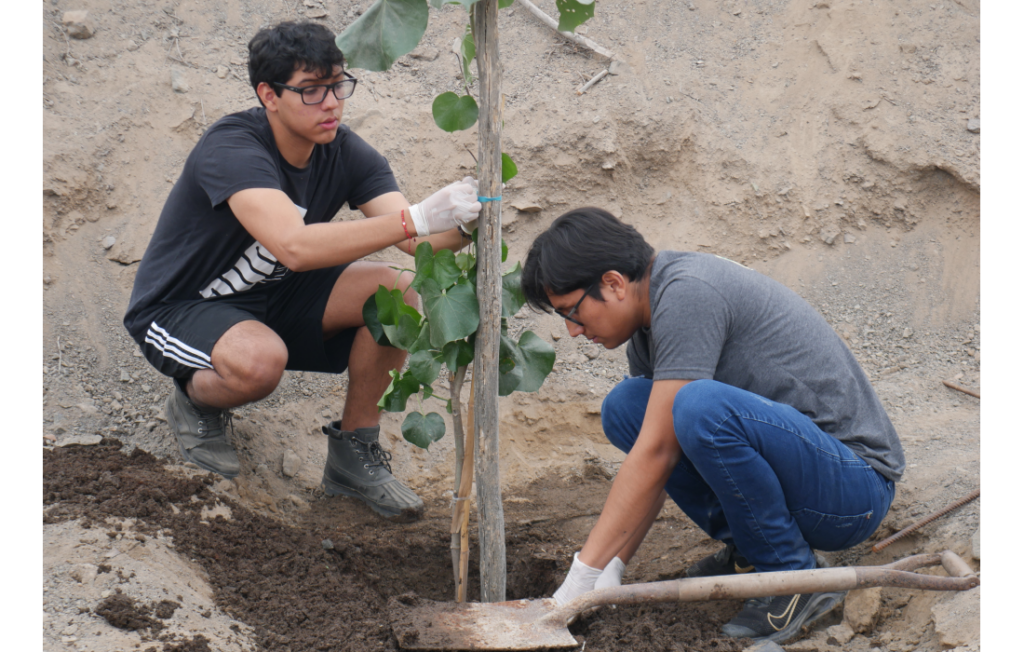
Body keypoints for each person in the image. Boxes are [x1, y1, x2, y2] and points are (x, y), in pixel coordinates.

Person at [123, 21, 480, 522]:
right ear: (268, 94)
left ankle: (354, 454)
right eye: (311, 91)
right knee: (259, 363)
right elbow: (292, 246)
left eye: (337, 84)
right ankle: (195, 401)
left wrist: (466, 221)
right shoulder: (232, 147)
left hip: (273, 297)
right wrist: (417, 215)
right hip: (184, 307)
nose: (331, 102)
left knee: (395, 291)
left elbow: (414, 240)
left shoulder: (345, 151)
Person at [522, 208, 904, 644]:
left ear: (612, 283)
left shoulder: (687, 293)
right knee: (629, 405)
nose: (572, 331)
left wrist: (579, 579)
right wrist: (611, 570)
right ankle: (752, 551)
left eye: (572, 312)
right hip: (812, 475)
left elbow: (657, 452)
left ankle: (791, 574)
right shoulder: (650, 323)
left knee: (698, 407)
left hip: (853, 490)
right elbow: (656, 457)